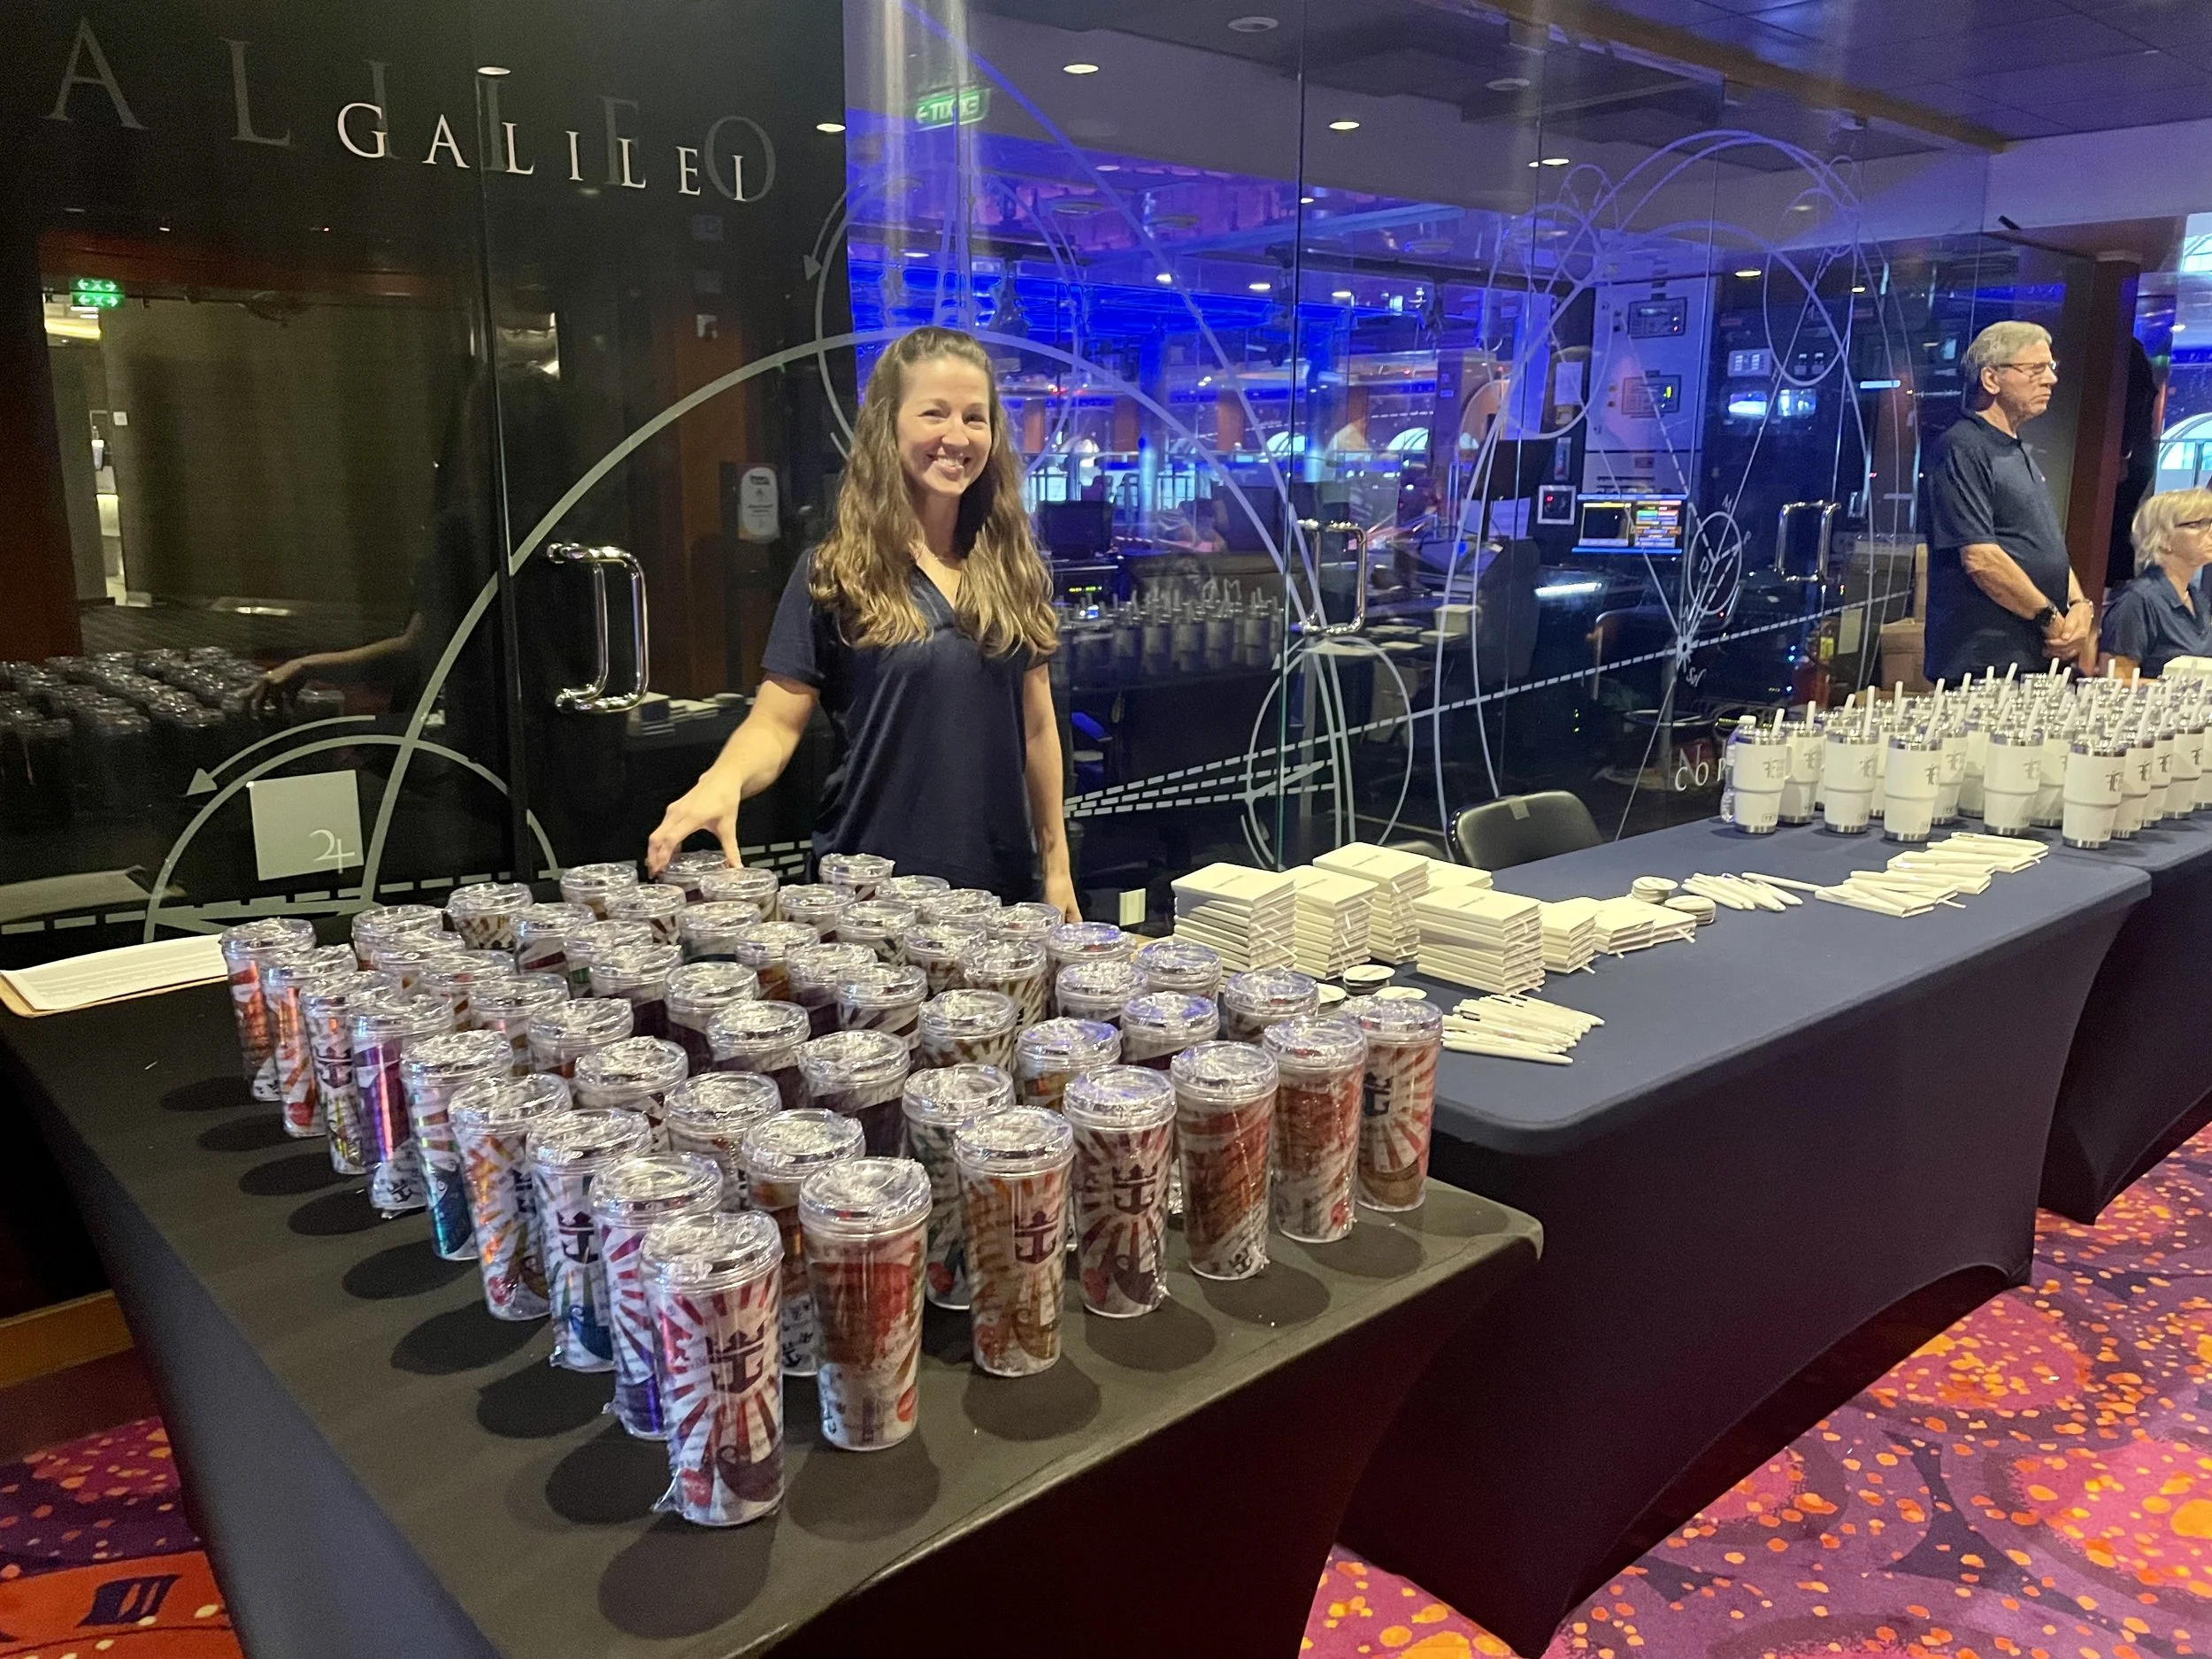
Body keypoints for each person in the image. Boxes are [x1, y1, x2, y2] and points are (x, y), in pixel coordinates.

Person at [644, 325, 1078, 917]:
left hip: (994, 891)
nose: (957, 435)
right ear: (889, 424)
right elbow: (774, 726)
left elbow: (1037, 731)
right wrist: (722, 779)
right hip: (868, 895)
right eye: (934, 413)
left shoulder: (1012, 566)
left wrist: (1056, 867)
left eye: (975, 417)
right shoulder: (836, 570)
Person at [1922, 320, 2094, 681]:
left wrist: (2079, 605)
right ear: (1991, 379)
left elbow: (2045, 545)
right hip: (1986, 665)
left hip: (2032, 658)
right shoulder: (1963, 446)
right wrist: (2049, 618)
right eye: (2035, 369)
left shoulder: (2017, 451)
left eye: (2050, 368)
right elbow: (1981, 557)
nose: (2050, 379)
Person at [2100, 488, 2212, 679]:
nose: (2210, 532)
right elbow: (2115, 681)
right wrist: (2177, 691)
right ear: (2163, 539)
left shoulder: (2197, 598)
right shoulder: (2139, 600)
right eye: (2199, 524)